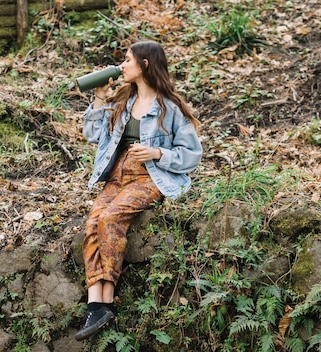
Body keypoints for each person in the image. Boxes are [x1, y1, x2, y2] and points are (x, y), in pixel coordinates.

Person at [75, 40, 203, 341]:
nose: (122, 65)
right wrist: (99, 99)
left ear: (145, 64)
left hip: (149, 176)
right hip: (117, 174)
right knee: (93, 222)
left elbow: (192, 153)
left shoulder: (169, 107)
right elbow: (92, 135)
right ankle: (98, 304)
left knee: (111, 218)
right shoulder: (123, 101)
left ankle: (103, 298)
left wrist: (158, 154)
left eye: (128, 60)